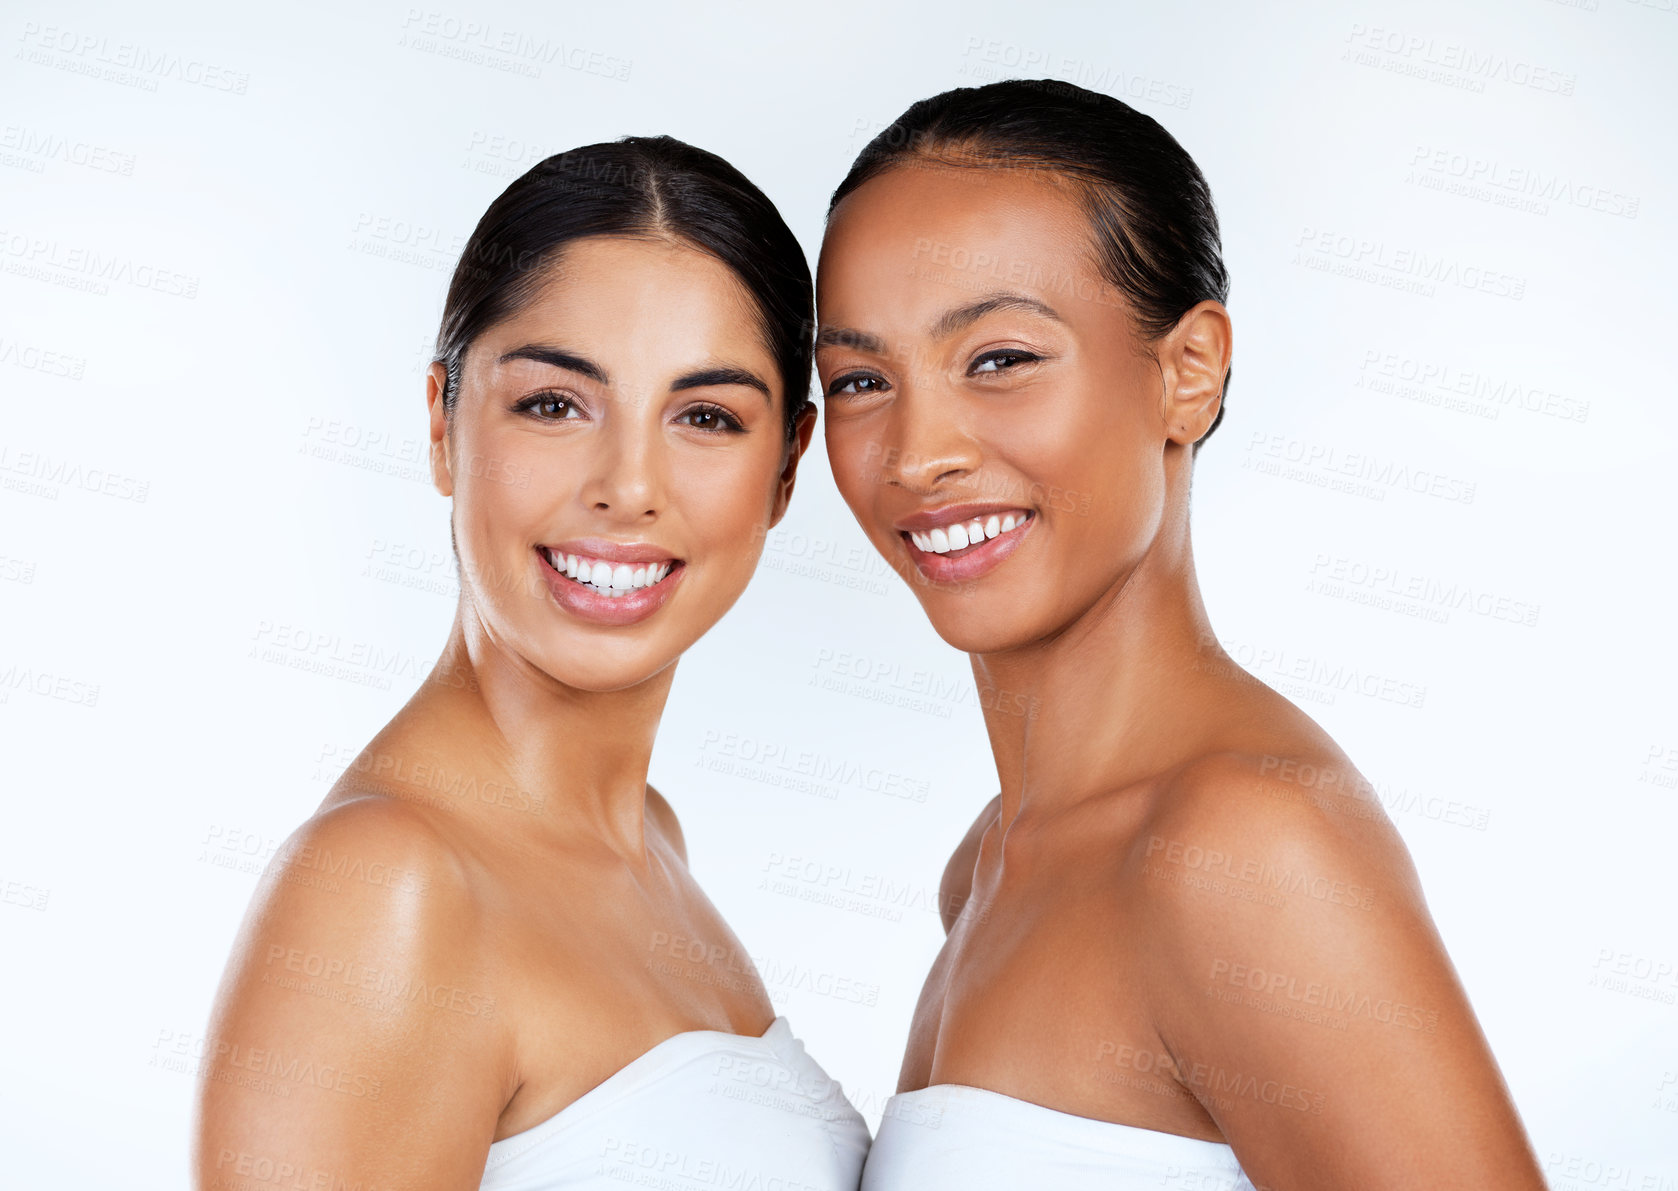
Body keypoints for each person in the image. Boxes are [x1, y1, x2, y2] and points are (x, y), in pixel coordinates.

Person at [813, 80, 1546, 1190]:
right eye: (861, 379)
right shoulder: (988, 863)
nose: (917, 455)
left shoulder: (1242, 847)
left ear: (1187, 372)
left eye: (1000, 359)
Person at [194, 135, 869, 1190]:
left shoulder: (651, 841)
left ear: (786, 468)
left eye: (705, 417)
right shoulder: (392, 885)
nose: (628, 485)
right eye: (554, 404)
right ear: (442, 426)